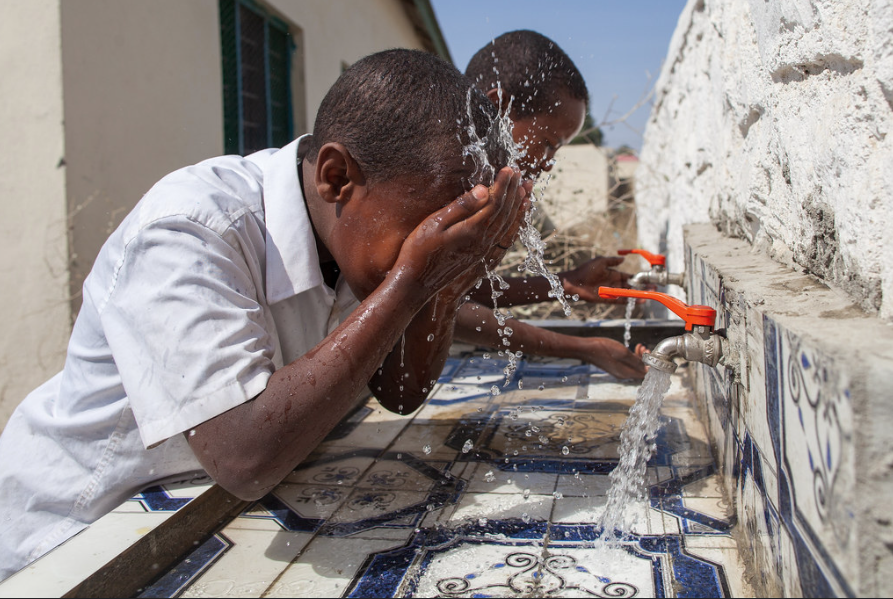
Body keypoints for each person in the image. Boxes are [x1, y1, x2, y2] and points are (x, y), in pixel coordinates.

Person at [0, 49, 530, 581]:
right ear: (336, 176)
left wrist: (443, 282)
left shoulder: (355, 227)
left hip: (196, 518)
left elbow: (400, 391)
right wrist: (412, 281)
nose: (429, 245)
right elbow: (246, 458)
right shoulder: (191, 229)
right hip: (72, 536)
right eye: (425, 229)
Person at [454, 30, 648, 378]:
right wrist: (584, 348)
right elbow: (438, 309)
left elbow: (451, 293)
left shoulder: (473, 181)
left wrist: (566, 283)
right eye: (548, 143)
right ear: (499, 107)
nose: (547, 164)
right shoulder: (438, 184)